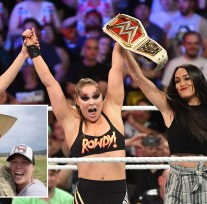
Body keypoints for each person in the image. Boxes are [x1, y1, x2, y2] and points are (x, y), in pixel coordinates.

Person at [22, 28, 129, 203]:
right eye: (85, 98)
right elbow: (50, 83)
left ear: (102, 97)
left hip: (118, 193)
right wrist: (34, 50)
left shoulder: (113, 110)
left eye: (96, 96)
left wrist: (120, 36)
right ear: (77, 102)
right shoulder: (71, 121)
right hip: (86, 195)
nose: (92, 102)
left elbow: (116, 69)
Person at [124, 48, 207, 203]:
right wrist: (125, 49)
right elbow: (139, 78)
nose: (181, 84)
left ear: (197, 80)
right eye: (177, 81)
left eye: (186, 79)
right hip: (179, 177)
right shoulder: (170, 109)